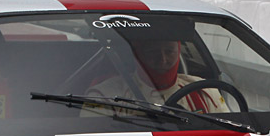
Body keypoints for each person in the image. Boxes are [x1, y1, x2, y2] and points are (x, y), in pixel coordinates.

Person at [87, 38, 231, 114]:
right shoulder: (103, 96)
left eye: (169, 52)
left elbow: (230, 134)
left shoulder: (205, 91)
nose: (162, 60)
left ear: (179, 51)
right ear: (139, 55)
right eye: (153, 52)